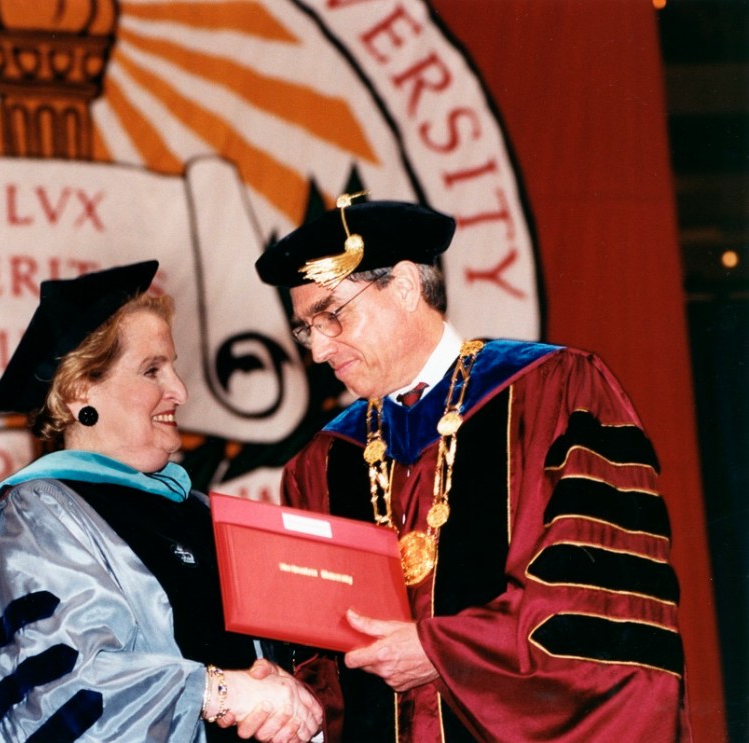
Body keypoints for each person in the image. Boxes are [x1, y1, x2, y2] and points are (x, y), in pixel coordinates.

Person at [252, 195, 690, 742]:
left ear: (407, 286)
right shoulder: (321, 462)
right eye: (305, 329)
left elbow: (598, 607)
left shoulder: (555, 396)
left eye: (332, 316)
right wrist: (297, 698)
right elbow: (321, 658)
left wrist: (444, 652)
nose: (318, 350)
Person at [0, 260, 324, 743]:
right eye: (152, 370)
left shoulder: (202, 514)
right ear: (78, 390)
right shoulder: (35, 516)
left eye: (173, 366)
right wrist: (216, 692)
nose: (181, 391)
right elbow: (59, 693)